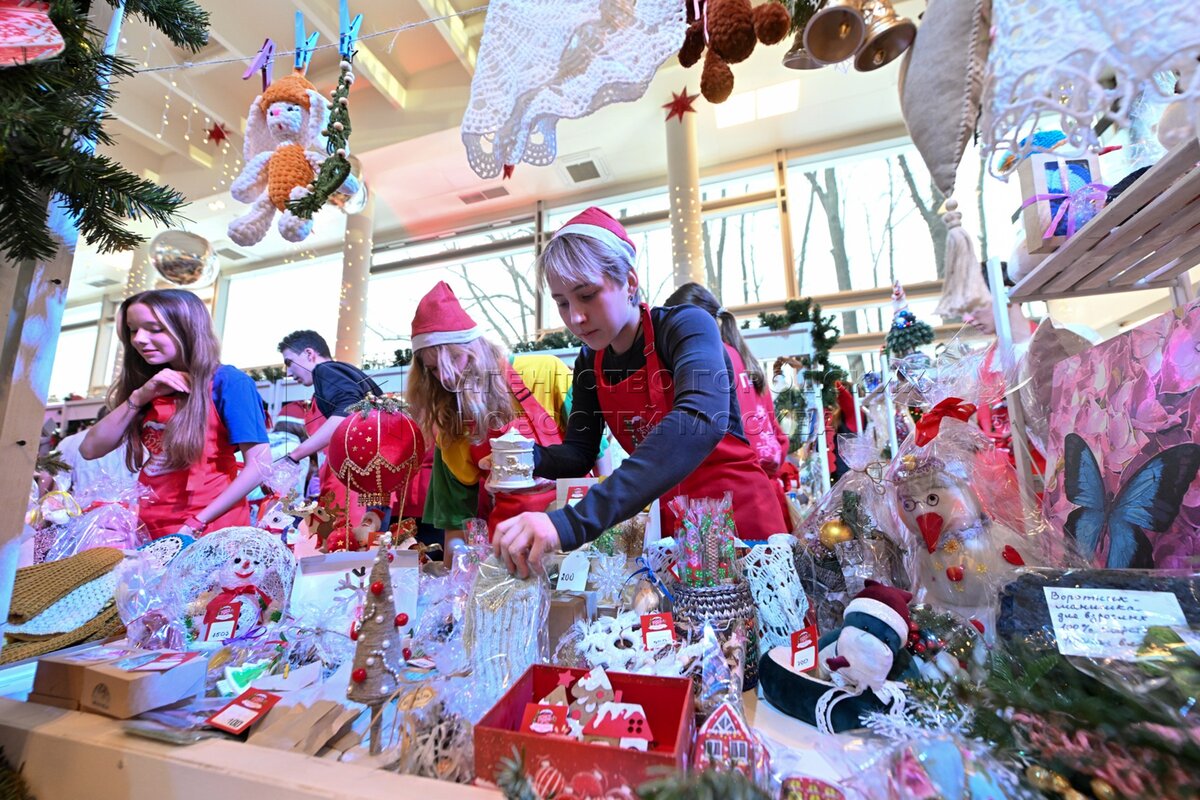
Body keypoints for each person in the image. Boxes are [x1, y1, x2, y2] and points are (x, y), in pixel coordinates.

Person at [494, 207, 788, 576]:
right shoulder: (590, 361)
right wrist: (520, 458)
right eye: (562, 302)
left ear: (630, 282)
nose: (575, 317)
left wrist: (570, 523)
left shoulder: (685, 327)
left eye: (587, 295)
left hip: (740, 523)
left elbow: (697, 420)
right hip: (674, 530)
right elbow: (578, 454)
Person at [81, 289, 270, 539]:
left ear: (187, 327)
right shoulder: (151, 385)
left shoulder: (229, 382)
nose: (139, 339)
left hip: (211, 530)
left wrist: (197, 522)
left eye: (154, 329)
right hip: (150, 526)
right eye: (133, 330)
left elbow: (259, 465)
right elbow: (90, 449)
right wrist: (138, 397)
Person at [405, 281, 573, 537]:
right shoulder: (451, 424)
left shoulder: (546, 372)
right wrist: (456, 562)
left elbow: (597, 453)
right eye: (434, 368)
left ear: (477, 349)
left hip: (575, 528)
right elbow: (455, 520)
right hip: (509, 541)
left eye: (453, 359)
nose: (446, 377)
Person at [663, 282, 789, 479]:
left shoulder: (707, 361)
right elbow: (775, 431)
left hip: (732, 480)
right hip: (762, 478)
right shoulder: (744, 357)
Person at [276, 330, 383, 527]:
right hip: (358, 483)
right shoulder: (339, 375)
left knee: (349, 543)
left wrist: (294, 456)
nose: (289, 373)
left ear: (309, 354)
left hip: (351, 487)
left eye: (289, 362)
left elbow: (349, 412)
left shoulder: (325, 370)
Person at [56, 406, 140, 497]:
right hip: (124, 503)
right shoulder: (133, 443)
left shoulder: (70, 441)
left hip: (81, 503)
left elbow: (58, 484)